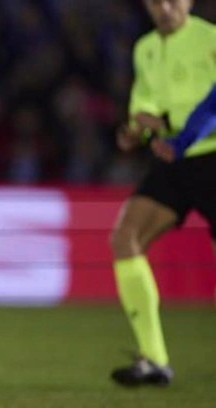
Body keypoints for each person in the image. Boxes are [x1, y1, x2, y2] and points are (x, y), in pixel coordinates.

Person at [110, 0, 215, 387]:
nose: (165, 8)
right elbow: (144, 105)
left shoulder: (210, 39)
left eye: (173, 0)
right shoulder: (145, 48)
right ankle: (153, 359)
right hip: (172, 160)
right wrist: (137, 129)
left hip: (211, 155)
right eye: (156, 1)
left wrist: (171, 125)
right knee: (125, 237)